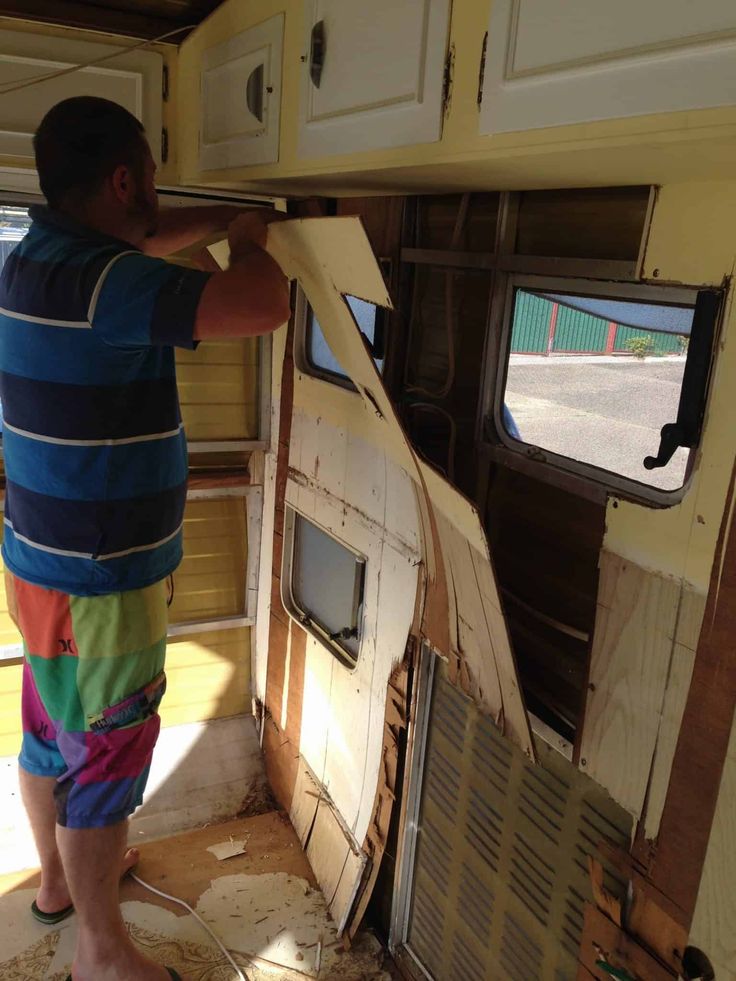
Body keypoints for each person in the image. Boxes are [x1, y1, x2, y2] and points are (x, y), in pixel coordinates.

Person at [0, 97, 290, 981]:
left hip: (37, 558)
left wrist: (224, 216)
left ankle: (58, 883)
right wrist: (250, 242)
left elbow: (148, 241)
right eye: (152, 182)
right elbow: (262, 302)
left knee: (53, 731)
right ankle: (100, 951)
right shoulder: (110, 285)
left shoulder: (31, 260)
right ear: (124, 179)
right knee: (111, 749)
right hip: (107, 577)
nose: (159, 200)